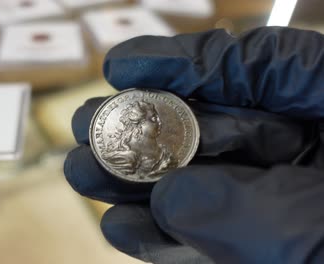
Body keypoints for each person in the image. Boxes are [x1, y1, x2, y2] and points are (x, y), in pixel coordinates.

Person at [64, 26, 324, 264]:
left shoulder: (165, 154)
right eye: (152, 117)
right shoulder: (124, 157)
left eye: (156, 115)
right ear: (135, 125)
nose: (158, 120)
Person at [102, 100, 174, 178]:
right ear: (139, 124)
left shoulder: (166, 155)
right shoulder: (122, 158)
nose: (160, 122)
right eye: (153, 118)